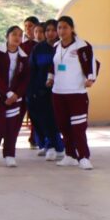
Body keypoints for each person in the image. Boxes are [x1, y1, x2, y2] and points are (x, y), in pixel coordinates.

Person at [47, 16, 97, 170]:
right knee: (63, 126)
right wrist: (50, 78)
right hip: (58, 93)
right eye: (59, 28)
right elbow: (53, 65)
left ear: (72, 29)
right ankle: (70, 155)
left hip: (77, 93)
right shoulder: (56, 46)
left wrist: (91, 78)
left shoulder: (82, 46)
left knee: (78, 127)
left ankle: (84, 157)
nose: (61, 31)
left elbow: (92, 63)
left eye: (65, 27)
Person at [0, 26, 30, 166]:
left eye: (20, 35)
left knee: (12, 127)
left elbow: (25, 78)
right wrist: (8, 93)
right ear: (7, 36)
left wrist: (16, 94)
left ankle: (10, 154)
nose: (17, 37)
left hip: (15, 97)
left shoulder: (24, 56)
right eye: (14, 34)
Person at [28, 21, 64, 160]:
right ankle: (49, 145)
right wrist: (32, 90)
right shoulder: (38, 49)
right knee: (43, 119)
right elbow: (32, 70)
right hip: (41, 90)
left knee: (55, 120)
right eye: (47, 30)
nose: (50, 33)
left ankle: (55, 146)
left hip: (60, 89)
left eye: (54, 30)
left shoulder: (62, 47)